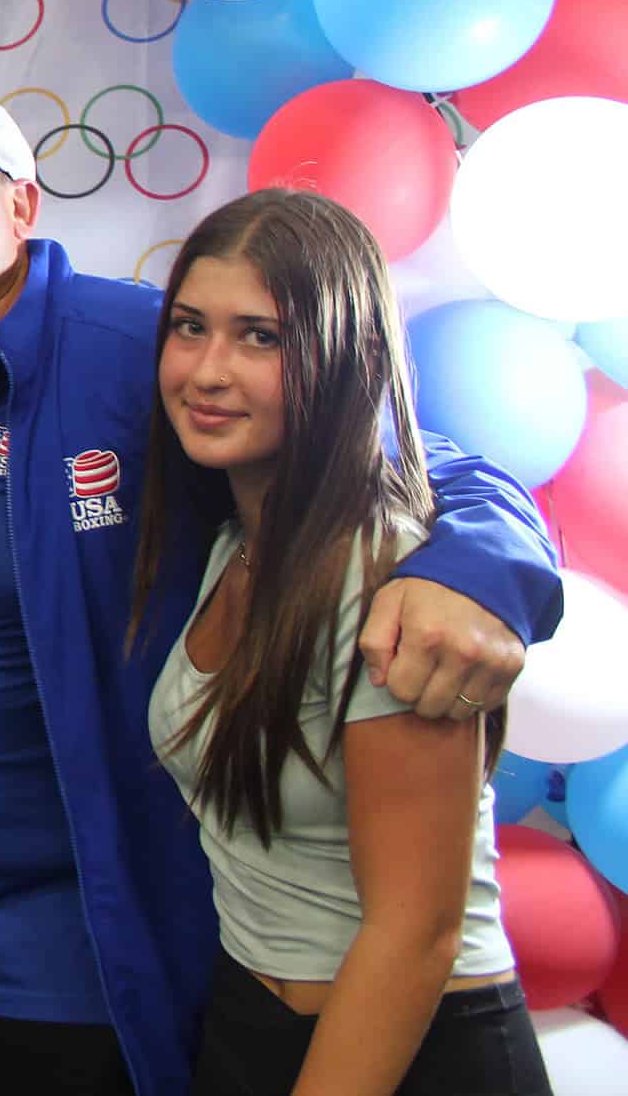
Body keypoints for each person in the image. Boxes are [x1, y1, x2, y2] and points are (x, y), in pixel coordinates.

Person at [0, 87, 560, 1096]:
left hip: (93, 986)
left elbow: (417, 462)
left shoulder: (141, 348)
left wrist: (475, 570)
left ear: (23, 205)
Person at [137, 189, 549, 1095]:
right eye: (189, 327)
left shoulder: (386, 573)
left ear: (345, 356)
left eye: (260, 337)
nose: (207, 370)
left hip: (412, 1041)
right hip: (255, 1017)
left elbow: (415, 934)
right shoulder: (229, 541)